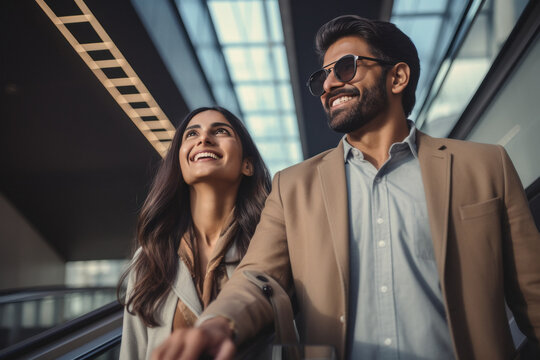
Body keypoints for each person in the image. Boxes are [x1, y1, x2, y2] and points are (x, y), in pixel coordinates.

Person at [151, 16, 540, 360]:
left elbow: (532, 293)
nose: (329, 84)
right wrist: (221, 321)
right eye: (322, 76)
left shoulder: (485, 166)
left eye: (346, 67)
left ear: (398, 77)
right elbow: (257, 278)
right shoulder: (294, 186)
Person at [118, 106, 271, 359]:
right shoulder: (150, 257)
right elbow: (132, 353)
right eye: (191, 134)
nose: (204, 139)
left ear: (247, 165)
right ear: (180, 162)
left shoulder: (269, 248)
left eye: (220, 131)